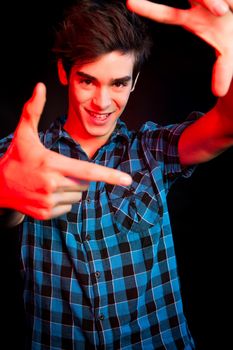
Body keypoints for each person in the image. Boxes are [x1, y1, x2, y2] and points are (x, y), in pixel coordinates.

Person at [0, 0, 233, 348]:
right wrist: (4, 191)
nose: (102, 102)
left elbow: (227, 128)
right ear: (65, 73)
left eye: (119, 83)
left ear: (135, 81)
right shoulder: (23, 152)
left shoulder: (153, 150)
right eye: (88, 81)